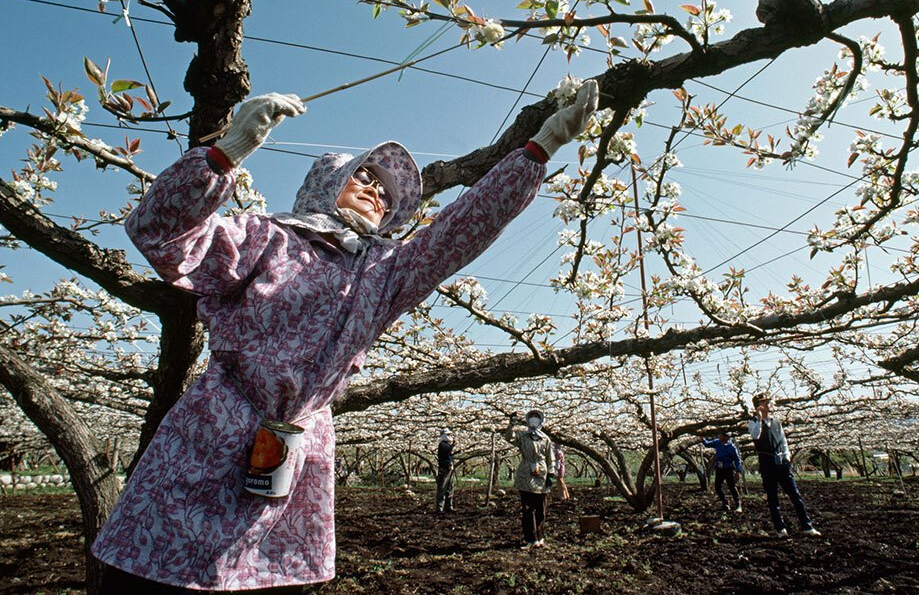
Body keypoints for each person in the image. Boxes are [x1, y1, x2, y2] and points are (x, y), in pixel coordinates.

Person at [91, 81, 599, 592]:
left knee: (264, 577)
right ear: (327, 178)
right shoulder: (265, 237)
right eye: (364, 174)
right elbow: (159, 234)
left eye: (388, 192)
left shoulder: (385, 272)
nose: (377, 191)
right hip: (213, 431)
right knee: (159, 571)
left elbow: (461, 229)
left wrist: (540, 149)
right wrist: (225, 155)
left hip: (297, 448)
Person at [748, 393, 821, 538]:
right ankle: (780, 529)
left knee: (794, 494)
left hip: (781, 462)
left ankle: (807, 526)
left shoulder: (776, 422)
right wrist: (759, 418)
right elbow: (755, 435)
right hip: (767, 464)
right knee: (772, 497)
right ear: (758, 406)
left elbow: (783, 440)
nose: (768, 404)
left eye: (768, 401)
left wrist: (787, 457)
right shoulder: (753, 422)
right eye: (764, 402)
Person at [504, 409, 555, 550]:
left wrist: (551, 474)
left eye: (536, 418)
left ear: (541, 420)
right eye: (531, 418)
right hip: (526, 473)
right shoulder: (522, 436)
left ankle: (540, 536)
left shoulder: (545, 439)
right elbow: (509, 438)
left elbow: (551, 457)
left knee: (541, 508)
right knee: (527, 508)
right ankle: (530, 538)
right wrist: (511, 425)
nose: (533, 420)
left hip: (541, 474)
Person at [702, 432, 742, 512]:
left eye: (721, 435)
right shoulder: (717, 442)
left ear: (726, 437)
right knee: (717, 487)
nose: (719, 436)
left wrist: (738, 470)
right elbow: (707, 444)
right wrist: (703, 439)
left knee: (732, 487)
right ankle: (725, 502)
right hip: (719, 469)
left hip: (728, 468)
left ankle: (738, 504)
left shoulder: (731, 447)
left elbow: (737, 459)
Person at [436, 428, 456, 513]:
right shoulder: (442, 445)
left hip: (449, 468)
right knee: (442, 488)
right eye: (448, 435)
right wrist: (453, 444)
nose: (450, 436)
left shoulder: (447, 444)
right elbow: (447, 451)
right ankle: (440, 507)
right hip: (444, 469)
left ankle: (449, 506)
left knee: (450, 487)